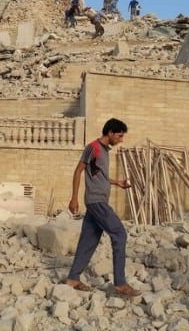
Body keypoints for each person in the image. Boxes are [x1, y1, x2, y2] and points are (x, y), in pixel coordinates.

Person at [65, 118, 141, 297]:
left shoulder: (105, 152)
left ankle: (73, 279)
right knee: (119, 233)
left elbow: (100, 176)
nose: (121, 140)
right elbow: (78, 171)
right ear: (110, 133)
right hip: (96, 201)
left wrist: (118, 183)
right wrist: (74, 198)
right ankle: (120, 283)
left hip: (99, 201)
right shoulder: (93, 147)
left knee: (88, 241)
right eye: (120, 136)